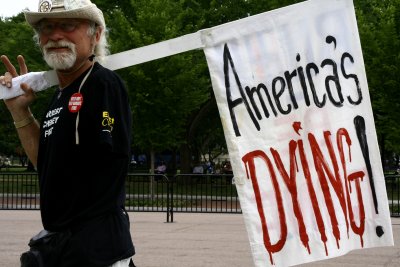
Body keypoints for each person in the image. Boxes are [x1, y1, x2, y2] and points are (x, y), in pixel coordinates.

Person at [0, 0, 135, 266]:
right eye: (46, 28)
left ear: (95, 35)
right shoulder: (60, 96)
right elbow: (48, 164)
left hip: (97, 250)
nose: (55, 35)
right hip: (63, 248)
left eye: (68, 25)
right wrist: (20, 111)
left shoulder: (102, 83)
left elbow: (102, 163)